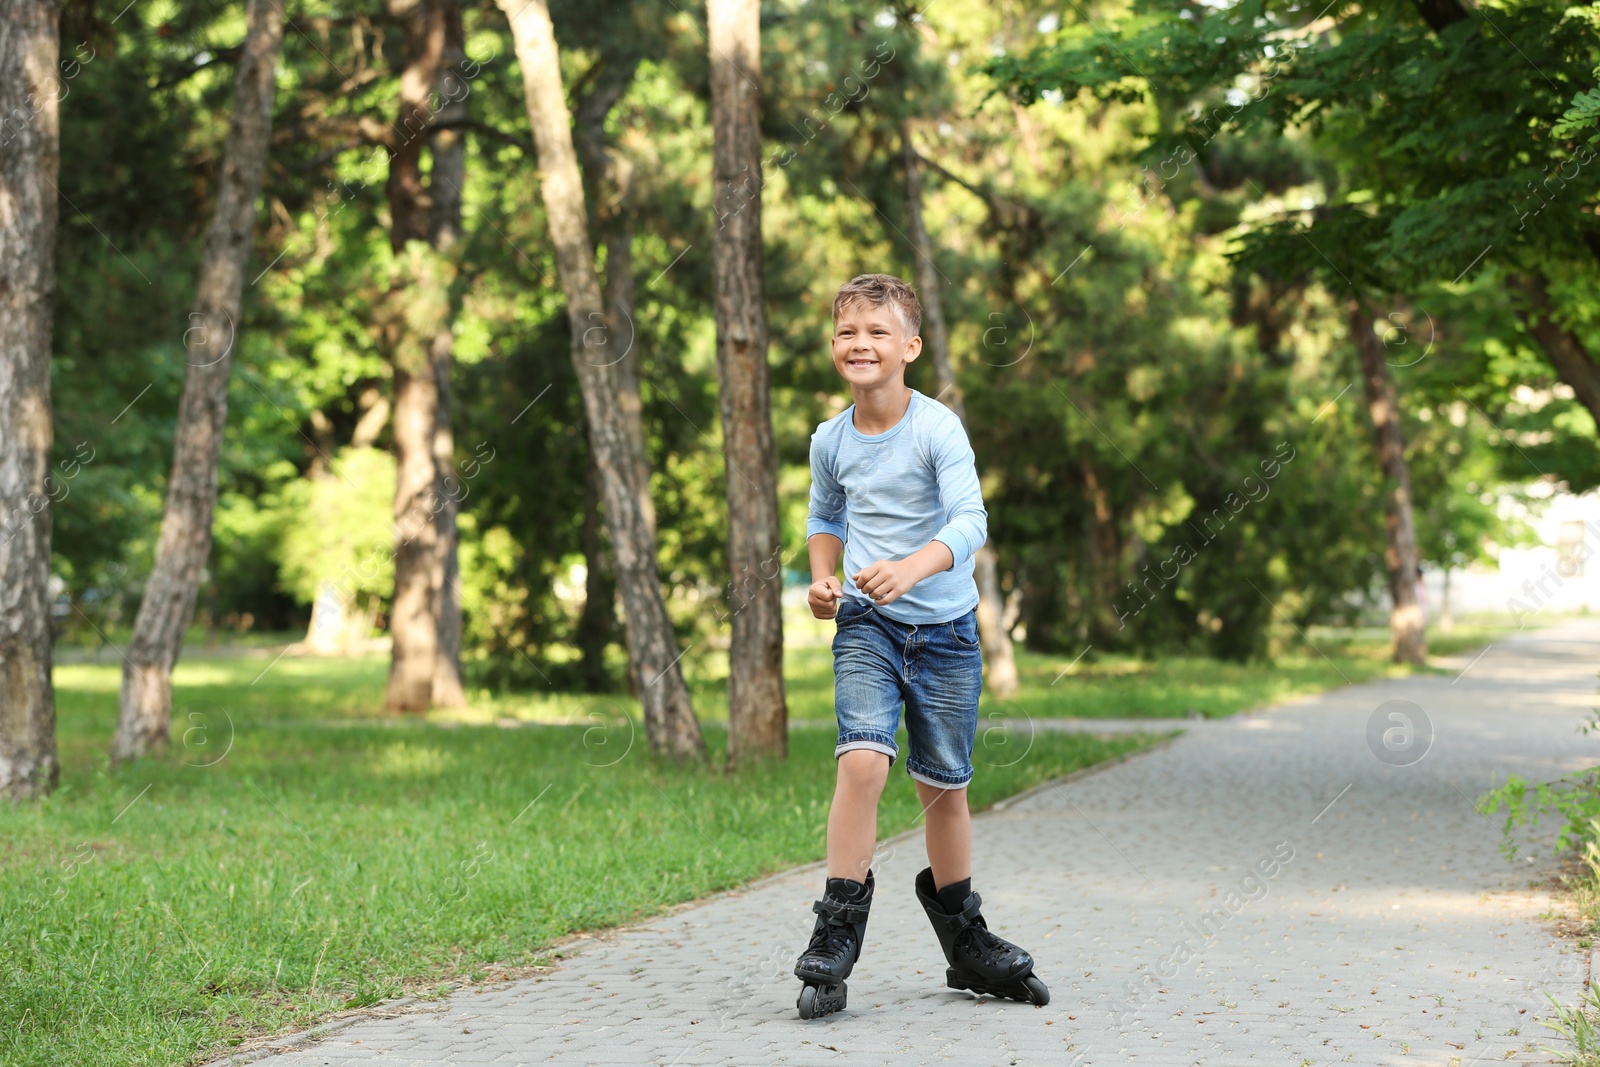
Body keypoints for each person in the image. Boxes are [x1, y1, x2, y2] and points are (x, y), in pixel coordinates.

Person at [791, 273, 1049, 1019]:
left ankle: (965, 939)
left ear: (910, 346)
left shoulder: (938, 427)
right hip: (867, 624)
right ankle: (836, 926)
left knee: (944, 786)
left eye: (877, 331)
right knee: (865, 757)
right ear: (833, 345)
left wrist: (912, 564)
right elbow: (824, 514)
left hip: (946, 632)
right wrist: (821, 580)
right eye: (847, 331)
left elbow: (971, 520)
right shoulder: (830, 438)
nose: (860, 343)